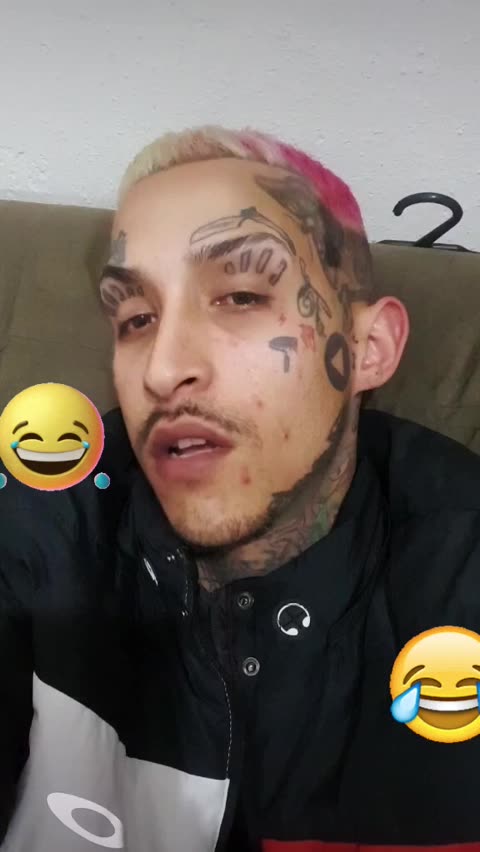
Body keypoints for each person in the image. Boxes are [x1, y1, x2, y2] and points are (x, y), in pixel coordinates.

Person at [1, 125, 480, 852]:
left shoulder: (460, 556)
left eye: (240, 295)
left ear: (368, 349)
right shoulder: (44, 514)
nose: (163, 370)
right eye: (135, 318)